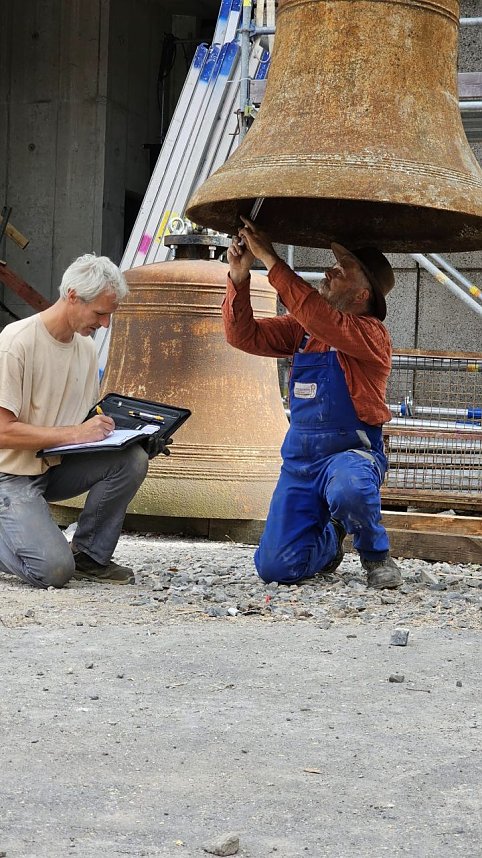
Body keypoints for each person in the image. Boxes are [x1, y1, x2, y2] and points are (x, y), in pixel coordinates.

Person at [224, 216, 402, 590]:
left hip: (350, 454)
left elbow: (318, 315)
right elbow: (245, 336)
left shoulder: (370, 334)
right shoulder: (305, 330)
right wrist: (238, 279)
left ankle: (375, 556)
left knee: (349, 487)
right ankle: (329, 542)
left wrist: (271, 259)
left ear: (361, 295)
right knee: (276, 569)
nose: (329, 271)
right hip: (301, 462)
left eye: (343, 269)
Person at [0, 253, 170, 589]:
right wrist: (77, 432)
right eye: (101, 314)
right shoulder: (15, 343)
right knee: (52, 571)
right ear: (73, 296)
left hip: (52, 465)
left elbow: (83, 421)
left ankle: (90, 557)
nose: (105, 324)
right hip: (9, 475)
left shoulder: (86, 349)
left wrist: (132, 435)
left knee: (130, 459)